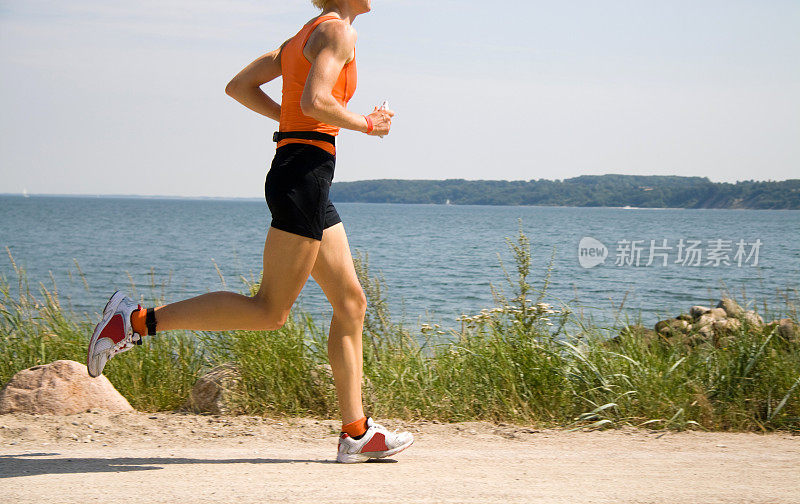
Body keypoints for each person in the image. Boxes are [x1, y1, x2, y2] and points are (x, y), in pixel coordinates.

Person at [86, 0, 413, 464]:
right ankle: (135, 321)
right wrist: (366, 124)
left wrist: (291, 122)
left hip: (303, 174)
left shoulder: (303, 35)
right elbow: (316, 101)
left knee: (351, 303)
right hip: (303, 175)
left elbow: (239, 87)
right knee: (269, 311)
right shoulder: (339, 33)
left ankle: (356, 433)